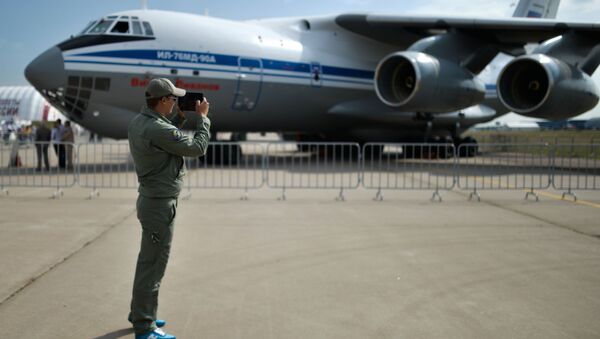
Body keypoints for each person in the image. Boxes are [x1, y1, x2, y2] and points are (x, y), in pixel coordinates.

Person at [127, 78, 211, 339]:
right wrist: (203, 120)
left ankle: (141, 312)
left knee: (147, 262)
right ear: (163, 100)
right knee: (152, 266)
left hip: (152, 200)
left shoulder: (141, 122)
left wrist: (181, 119)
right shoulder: (156, 128)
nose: (176, 102)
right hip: (160, 204)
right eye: (173, 99)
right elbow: (197, 148)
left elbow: (163, 138)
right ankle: (144, 327)